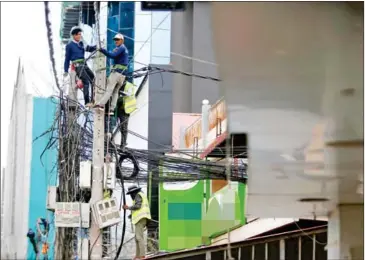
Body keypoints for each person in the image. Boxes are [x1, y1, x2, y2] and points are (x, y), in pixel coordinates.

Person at [94, 33, 129, 113]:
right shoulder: (124, 49)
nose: (116, 41)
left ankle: (101, 105)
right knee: (115, 91)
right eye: (115, 40)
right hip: (122, 75)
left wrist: (102, 50)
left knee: (109, 89)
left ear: (122, 40)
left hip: (117, 73)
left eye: (117, 40)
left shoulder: (121, 48)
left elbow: (112, 55)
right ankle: (112, 109)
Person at [64, 26, 96, 107]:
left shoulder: (81, 44)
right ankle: (87, 102)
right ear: (74, 35)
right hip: (78, 66)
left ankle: (93, 99)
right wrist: (65, 70)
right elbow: (67, 59)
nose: (79, 36)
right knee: (86, 81)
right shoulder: (70, 45)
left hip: (84, 64)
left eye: (80, 34)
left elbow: (89, 48)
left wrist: (97, 47)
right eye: (78, 34)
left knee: (93, 78)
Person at [123, 185, 151, 260]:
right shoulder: (141, 195)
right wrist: (131, 215)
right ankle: (138, 255)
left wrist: (128, 207)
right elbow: (139, 208)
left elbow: (138, 206)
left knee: (139, 237)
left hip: (140, 219)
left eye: (131, 194)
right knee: (137, 238)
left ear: (134, 192)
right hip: (142, 218)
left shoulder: (138, 195)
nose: (131, 195)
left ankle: (142, 255)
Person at [115, 79, 137, 147]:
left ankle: (123, 144)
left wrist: (119, 92)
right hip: (117, 110)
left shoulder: (129, 86)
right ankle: (111, 141)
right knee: (116, 126)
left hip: (125, 111)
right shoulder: (118, 85)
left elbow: (127, 96)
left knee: (124, 128)